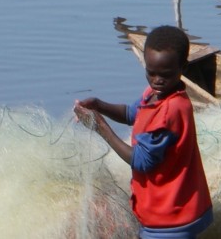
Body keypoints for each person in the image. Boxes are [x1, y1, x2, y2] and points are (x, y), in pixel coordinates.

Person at [76, 25, 213, 239]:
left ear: (183, 68)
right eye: (151, 73)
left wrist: (101, 128)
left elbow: (141, 161)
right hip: (173, 208)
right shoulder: (156, 94)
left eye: (165, 75)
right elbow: (132, 113)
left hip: (170, 217)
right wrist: (100, 105)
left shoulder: (170, 110)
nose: (157, 80)